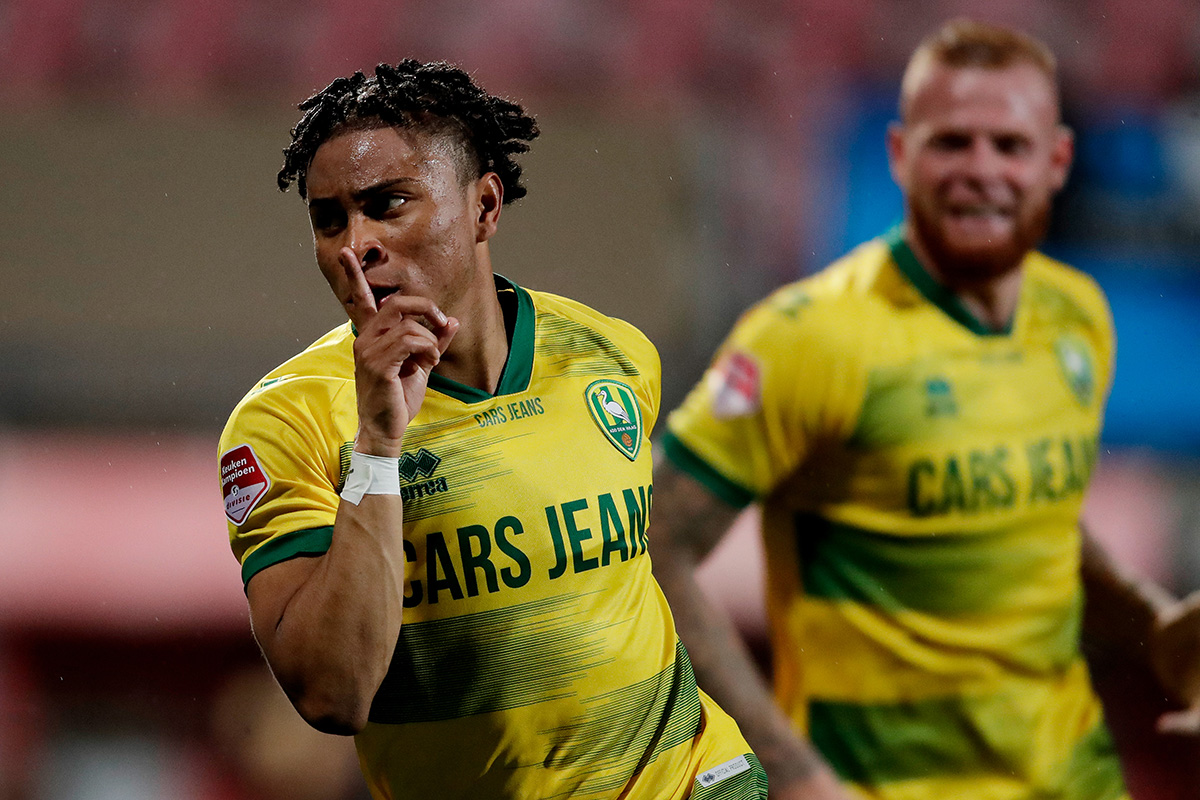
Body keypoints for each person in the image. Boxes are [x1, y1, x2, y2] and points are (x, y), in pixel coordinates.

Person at [650, 18, 1200, 800]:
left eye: (1009, 146)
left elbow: (1028, 516)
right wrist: (789, 763)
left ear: (1057, 162)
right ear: (902, 156)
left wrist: (1151, 618)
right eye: (952, 144)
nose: (981, 172)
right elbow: (655, 546)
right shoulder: (808, 338)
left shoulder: (1077, 319)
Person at [217, 60, 767, 800]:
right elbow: (332, 695)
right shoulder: (285, 423)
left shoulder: (613, 356)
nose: (358, 244)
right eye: (329, 219)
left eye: (388, 204)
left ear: (484, 206)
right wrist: (378, 446)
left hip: (696, 781)